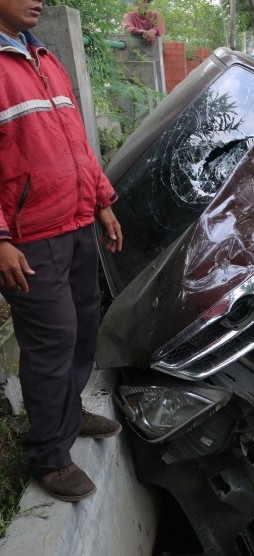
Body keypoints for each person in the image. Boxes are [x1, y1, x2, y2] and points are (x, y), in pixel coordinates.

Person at [0, 0, 124, 502]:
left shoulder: (43, 58)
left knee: (84, 325)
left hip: (74, 221)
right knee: (52, 341)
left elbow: (76, 143)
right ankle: (49, 457)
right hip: (28, 238)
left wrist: (103, 201)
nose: (41, 0)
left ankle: (67, 415)